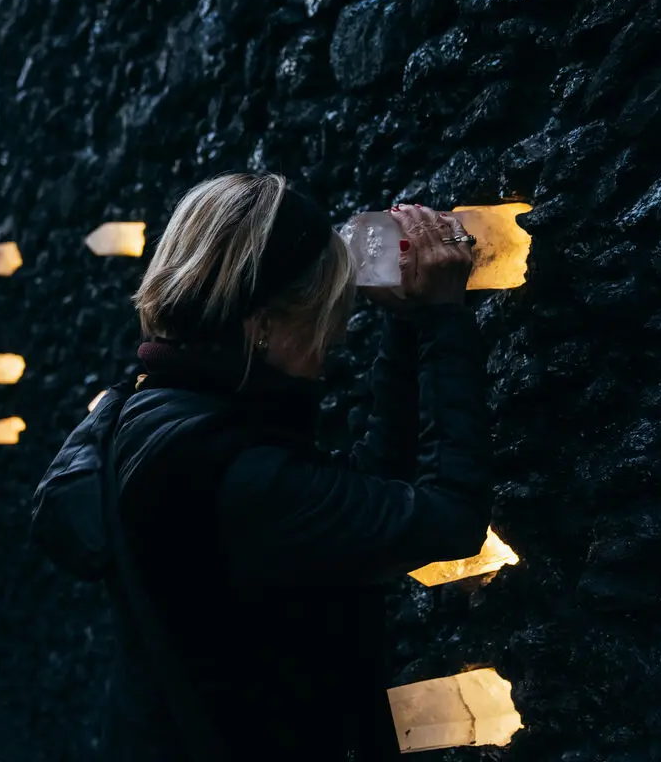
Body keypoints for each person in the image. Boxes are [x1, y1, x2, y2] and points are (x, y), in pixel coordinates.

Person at [44, 173, 493, 760]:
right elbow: (449, 518)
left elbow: (356, 494)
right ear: (262, 327)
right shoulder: (224, 471)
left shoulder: (155, 407)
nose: (334, 338)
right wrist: (443, 319)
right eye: (324, 318)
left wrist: (406, 330)